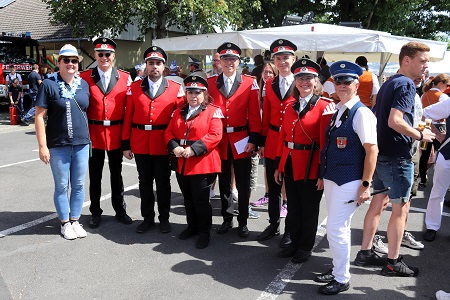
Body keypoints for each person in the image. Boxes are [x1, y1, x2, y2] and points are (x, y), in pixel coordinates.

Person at [355, 42, 435, 277]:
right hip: (397, 156)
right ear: (406, 61)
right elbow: (395, 120)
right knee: (401, 209)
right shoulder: (406, 85)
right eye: (422, 61)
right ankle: (393, 262)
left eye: (427, 62)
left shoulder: (391, 82)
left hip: (382, 153)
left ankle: (366, 252)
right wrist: (420, 134)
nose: (425, 67)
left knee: (378, 203)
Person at [315, 61, 378, 295]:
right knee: (340, 227)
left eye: (347, 81)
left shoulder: (362, 113)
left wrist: (366, 184)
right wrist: (324, 175)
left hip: (350, 179)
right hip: (333, 178)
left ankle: (342, 278)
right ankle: (336, 270)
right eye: (338, 81)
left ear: (357, 84)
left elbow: (372, 150)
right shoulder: (340, 108)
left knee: (335, 228)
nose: (342, 85)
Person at [274, 58, 334, 264]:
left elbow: (327, 144)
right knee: (294, 207)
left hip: (311, 165)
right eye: (300, 78)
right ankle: (294, 242)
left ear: (316, 81)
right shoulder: (290, 105)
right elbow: (284, 139)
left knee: (309, 209)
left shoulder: (325, 106)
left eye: (309, 78)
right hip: (291, 164)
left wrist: (322, 173)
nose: (304, 82)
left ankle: (305, 246)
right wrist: (280, 166)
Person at [122, 46, 184, 234]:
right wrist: (126, 144)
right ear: (146, 66)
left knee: (163, 183)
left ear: (164, 67)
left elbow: (180, 119)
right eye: (151, 63)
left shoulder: (175, 89)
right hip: (140, 142)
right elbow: (128, 117)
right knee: (144, 182)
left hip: (163, 144)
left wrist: (178, 145)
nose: (154, 67)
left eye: (158, 63)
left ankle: (164, 218)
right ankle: (147, 218)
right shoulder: (134, 88)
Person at [34, 44, 90, 240]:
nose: (70, 64)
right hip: (58, 144)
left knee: (79, 185)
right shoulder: (48, 84)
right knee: (61, 186)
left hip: (82, 143)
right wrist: (42, 146)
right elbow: (39, 117)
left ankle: (75, 220)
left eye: (74, 60)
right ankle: (65, 223)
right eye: (66, 60)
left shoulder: (84, 85)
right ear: (58, 63)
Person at [207, 42, 262, 238]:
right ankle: (227, 218)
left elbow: (255, 114)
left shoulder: (249, 82)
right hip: (220, 139)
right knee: (223, 182)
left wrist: (254, 139)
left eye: (233, 59)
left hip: (242, 139)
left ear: (239, 61)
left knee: (243, 181)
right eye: (225, 59)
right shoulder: (211, 82)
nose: (229, 62)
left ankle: (243, 220)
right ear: (219, 62)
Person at [79, 37, 133, 229]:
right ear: (95, 55)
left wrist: (127, 141)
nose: (104, 57)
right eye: (100, 54)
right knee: (95, 176)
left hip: (117, 133)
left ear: (113, 56)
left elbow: (129, 111)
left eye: (107, 54)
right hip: (94, 135)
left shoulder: (126, 78)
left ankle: (120, 210)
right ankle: (95, 212)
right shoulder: (84, 77)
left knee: (116, 175)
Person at [165, 75, 223, 249]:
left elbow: (215, 135)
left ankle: (204, 232)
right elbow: (168, 133)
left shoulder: (213, 111)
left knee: (201, 201)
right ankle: (192, 227)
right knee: (188, 198)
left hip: (202, 163)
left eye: (197, 93)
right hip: (182, 162)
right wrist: (174, 147)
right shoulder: (178, 111)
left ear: (204, 94)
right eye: (190, 92)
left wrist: (194, 149)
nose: (193, 96)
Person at [257, 39, 297, 245]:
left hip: (292, 142)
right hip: (273, 140)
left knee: (289, 186)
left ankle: (289, 230)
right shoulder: (270, 84)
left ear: (294, 59)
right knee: (273, 187)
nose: (282, 62)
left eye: (286, 58)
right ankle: (273, 223)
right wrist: (262, 142)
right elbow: (267, 115)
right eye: (278, 58)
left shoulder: (302, 82)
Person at [421, 84, 450, 242]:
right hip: (447, 155)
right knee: (438, 193)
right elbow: (424, 113)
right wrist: (437, 134)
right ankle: (432, 226)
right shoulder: (449, 102)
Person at [418, 74, 450, 187]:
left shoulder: (423, 95)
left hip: (426, 126)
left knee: (424, 154)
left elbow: (422, 112)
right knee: (440, 155)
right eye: (447, 85)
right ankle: (439, 180)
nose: (447, 88)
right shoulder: (443, 97)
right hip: (439, 127)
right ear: (441, 83)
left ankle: (422, 179)